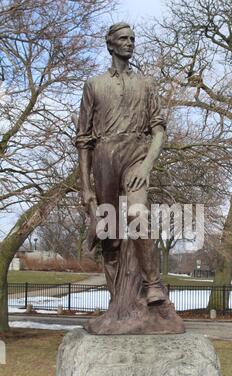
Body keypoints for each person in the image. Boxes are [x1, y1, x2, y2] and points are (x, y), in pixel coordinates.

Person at [75, 22, 166, 305]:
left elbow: (159, 130)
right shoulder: (94, 85)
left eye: (132, 39)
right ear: (110, 44)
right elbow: (83, 140)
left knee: (138, 215)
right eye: (124, 39)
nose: (130, 42)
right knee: (109, 235)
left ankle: (153, 285)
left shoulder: (147, 84)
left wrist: (146, 165)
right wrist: (86, 187)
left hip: (136, 154)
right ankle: (118, 301)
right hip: (104, 157)